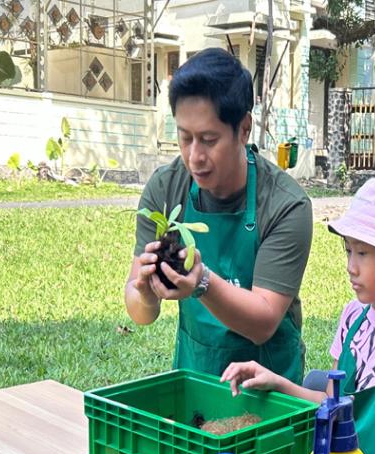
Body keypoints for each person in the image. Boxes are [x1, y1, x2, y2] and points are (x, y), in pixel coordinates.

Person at [221, 177, 375, 454]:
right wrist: (276, 382)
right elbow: (331, 403)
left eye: (362, 253)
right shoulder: (354, 316)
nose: (351, 266)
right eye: (348, 251)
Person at [124, 48, 313, 383]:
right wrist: (146, 293)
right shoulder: (165, 189)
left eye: (209, 140)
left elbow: (264, 322)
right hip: (196, 378)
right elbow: (140, 313)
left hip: (269, 386)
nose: (194, 156)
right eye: (185, 138)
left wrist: (202, 283)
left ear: (243, 129)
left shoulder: (286, 205)